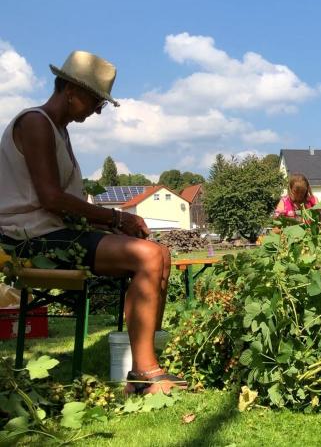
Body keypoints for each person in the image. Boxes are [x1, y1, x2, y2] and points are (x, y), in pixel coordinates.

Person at [0, 51, 184, 394]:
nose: (97, 110)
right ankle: (145, 372)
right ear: (71, 90)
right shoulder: (36, 123)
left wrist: (115, 226)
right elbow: (50, 198)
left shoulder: (57, 130)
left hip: (55, 231)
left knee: (160, 254)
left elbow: (59, 203)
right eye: (96, 100)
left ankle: (140, 366)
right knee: (148, 257)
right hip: (30, 238)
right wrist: (116, 217)